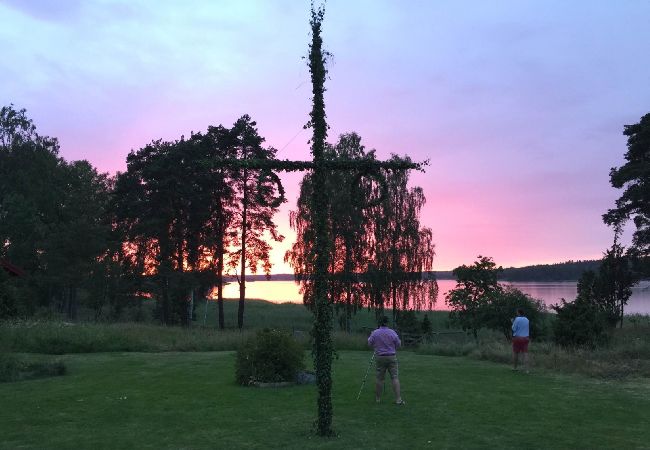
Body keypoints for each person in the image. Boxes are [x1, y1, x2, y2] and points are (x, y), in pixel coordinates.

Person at [367, 315, 405, 405]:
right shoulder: (392, 332)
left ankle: (377, 399)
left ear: (379, 323)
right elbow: (399, 344)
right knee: (395, 377)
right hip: (391, 356)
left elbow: (369, 343)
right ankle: (398, 399)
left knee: (379, 378)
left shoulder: (375, 333)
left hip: (380, 357)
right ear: (387, 322)